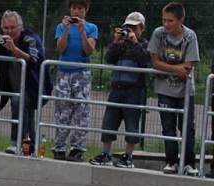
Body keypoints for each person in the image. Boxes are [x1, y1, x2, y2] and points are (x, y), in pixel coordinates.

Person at [0, 11, 52, 155]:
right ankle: (32, 148)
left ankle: (15, 142)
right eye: (6, 28)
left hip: (35, 88)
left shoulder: (31, 39)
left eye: (13, 27)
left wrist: (14, 49)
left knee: (18, 101)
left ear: (21, 27)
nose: (9, 31)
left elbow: (35, 60)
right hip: (15, 87)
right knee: (28, 116)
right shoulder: (1, 41)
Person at [89, 12, 151, 169]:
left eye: (134, 28)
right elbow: (109, 58)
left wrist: (135, 43)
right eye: (127, 27)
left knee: (132, 125)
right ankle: (106, 153)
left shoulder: (145, 45)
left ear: (142, 28)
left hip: (134, 91)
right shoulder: (121, 45)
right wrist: (116, 42)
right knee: (109, 121)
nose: (130, 31)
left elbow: (144, 60)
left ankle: (129, 156)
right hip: (117, 88)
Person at [148, 2, 200, 176]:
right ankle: (171, 161)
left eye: (170, 21)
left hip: (186, 91)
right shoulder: (158, 34)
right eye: (164, 20)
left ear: (180, 20)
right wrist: (176, 69)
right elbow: (155, 62)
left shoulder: (190, 36)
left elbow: (188, 66)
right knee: (167, 126)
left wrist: (173, 68)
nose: (166, 24)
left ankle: (188, 163)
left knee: (187, 127)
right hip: (164, 89)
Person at [53, 0, 98, 162]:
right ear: (70, 9)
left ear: (85, 10)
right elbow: (60, 48)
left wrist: (82, 32)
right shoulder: (61, 26)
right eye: (74, 8)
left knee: (82, 111)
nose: (77, 12)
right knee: (62, 110)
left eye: (80, 8)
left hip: (82, 73)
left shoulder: (92, 28)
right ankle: (59, 146)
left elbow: (88, 50)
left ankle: (77, 148)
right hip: (64, 73)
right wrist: (65, 29)